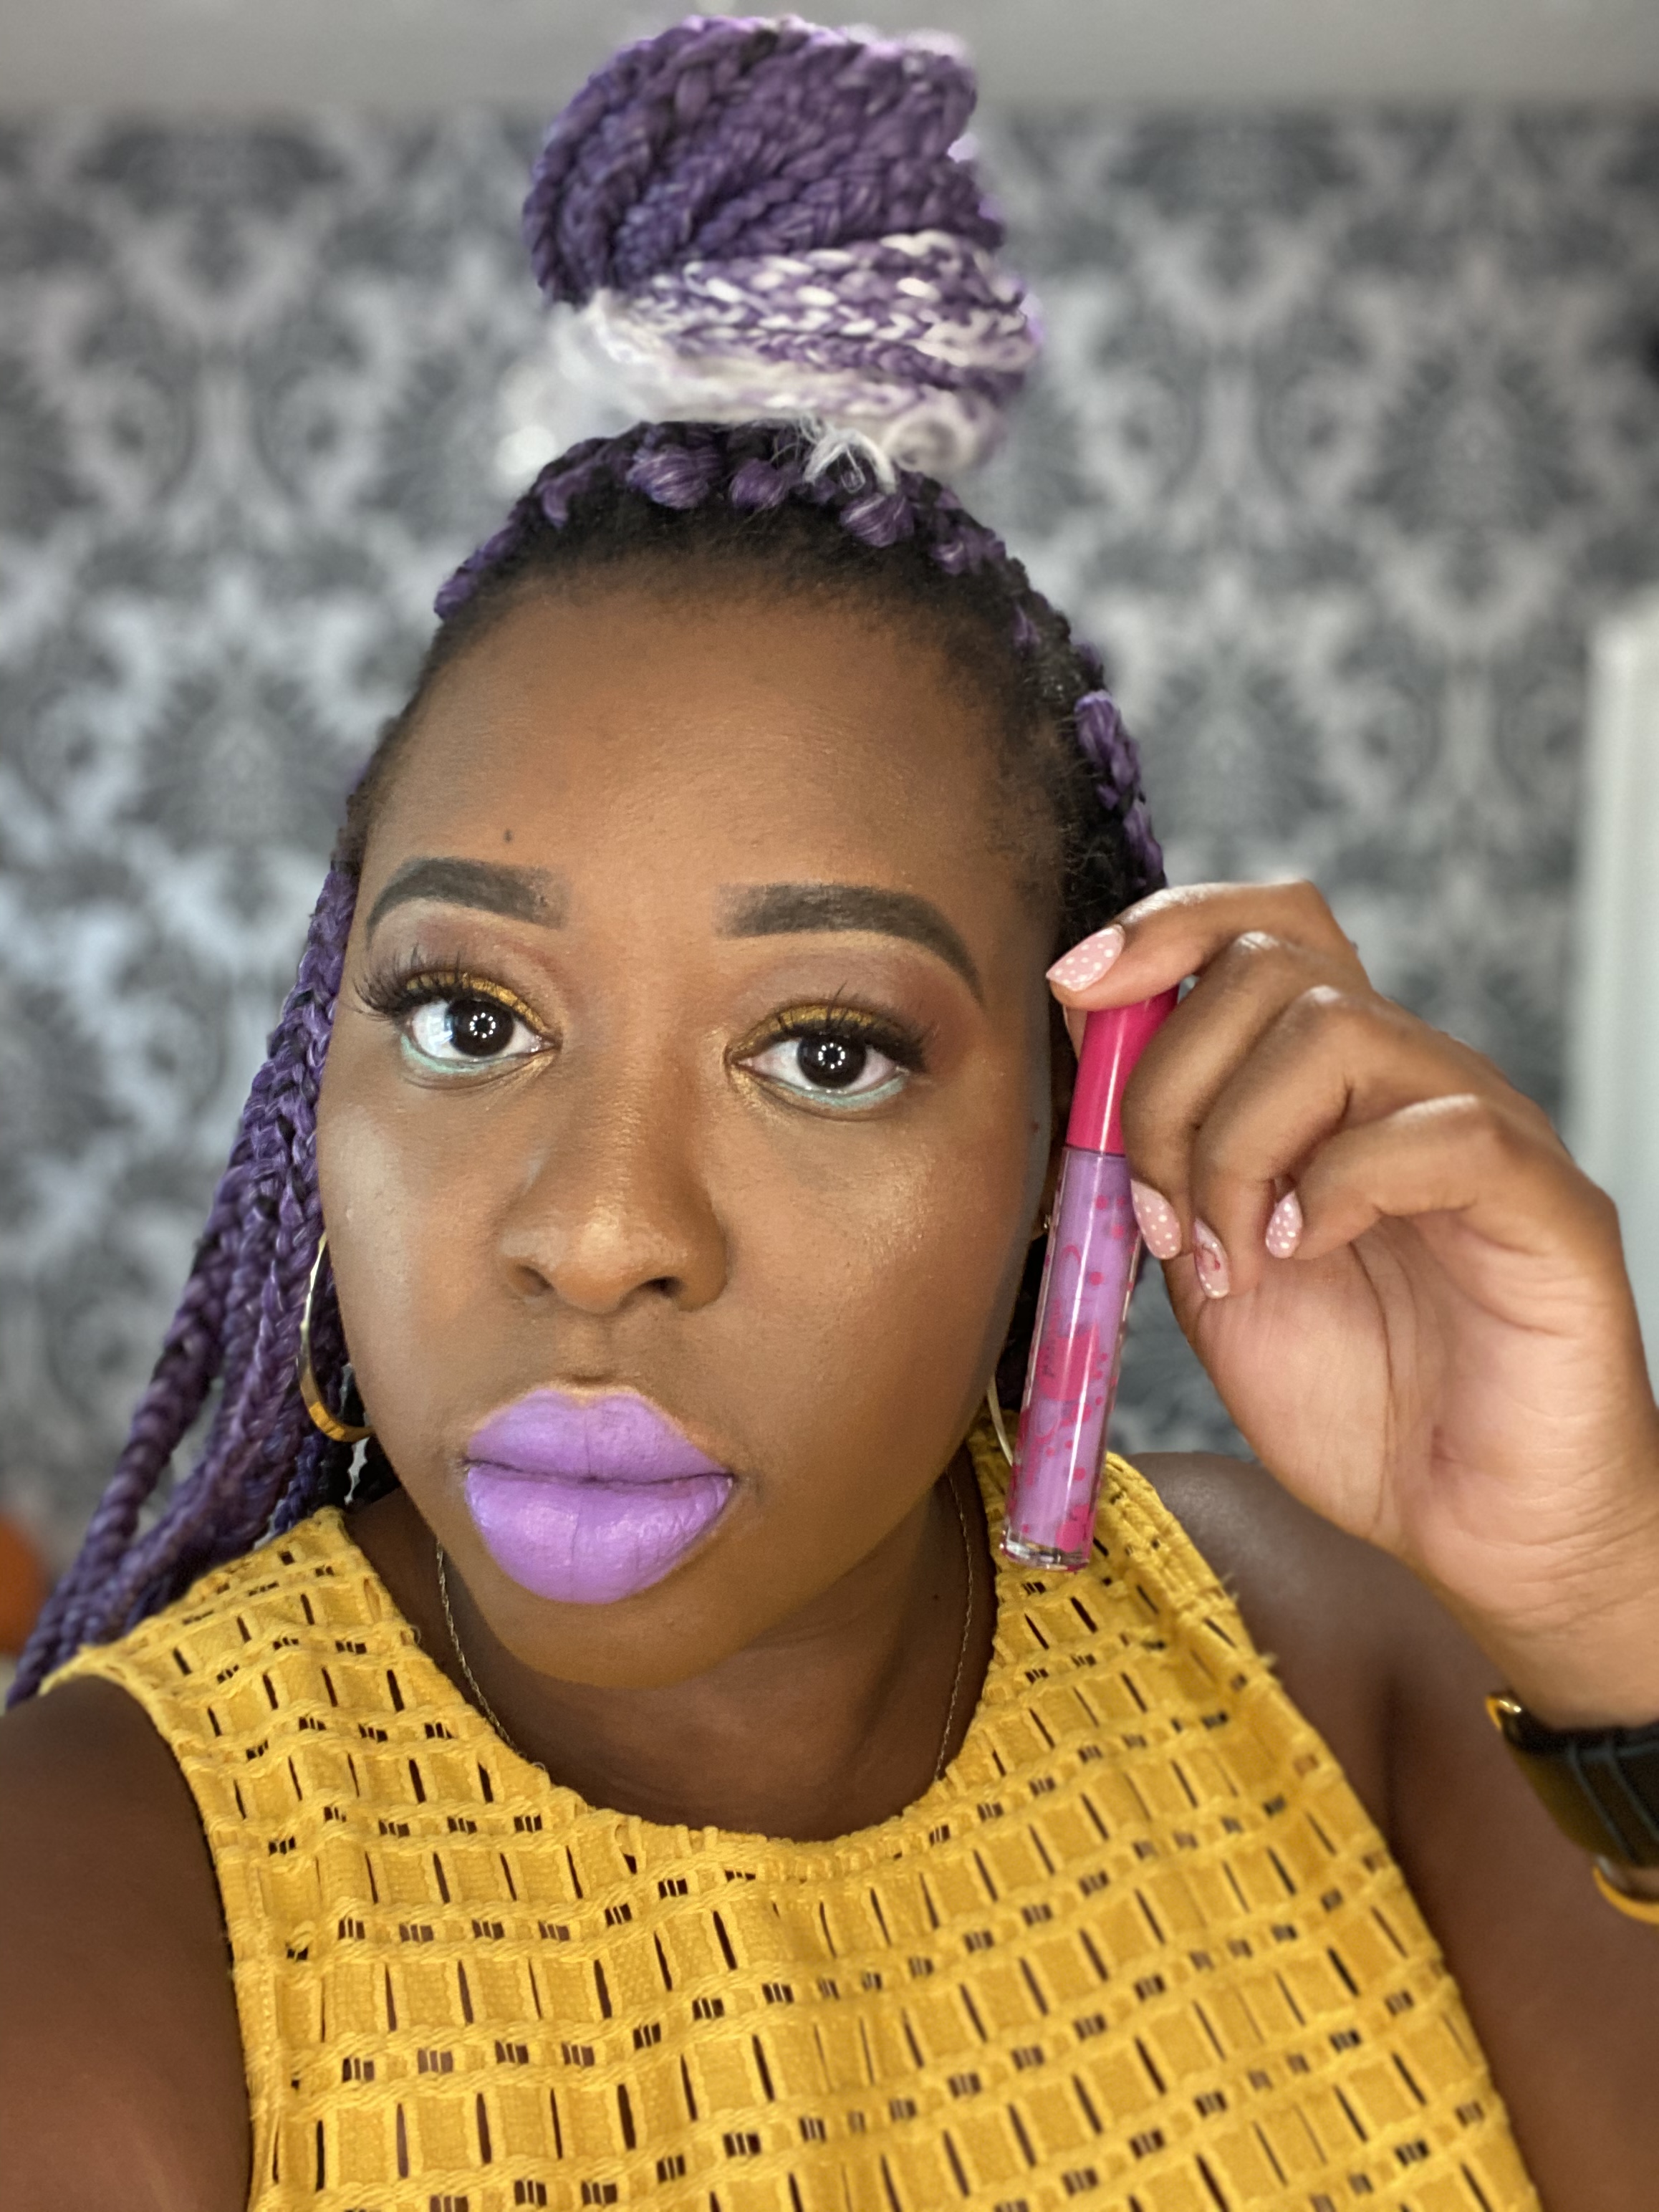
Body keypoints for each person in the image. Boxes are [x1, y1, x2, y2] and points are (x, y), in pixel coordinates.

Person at [2, 19, 1655, 2211]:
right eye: (470, 1016)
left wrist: (1606, 1615)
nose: (599, 1232)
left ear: (1069, 1143)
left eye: (826, 1050)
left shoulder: (1344, 1661)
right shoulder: (102, 1897)